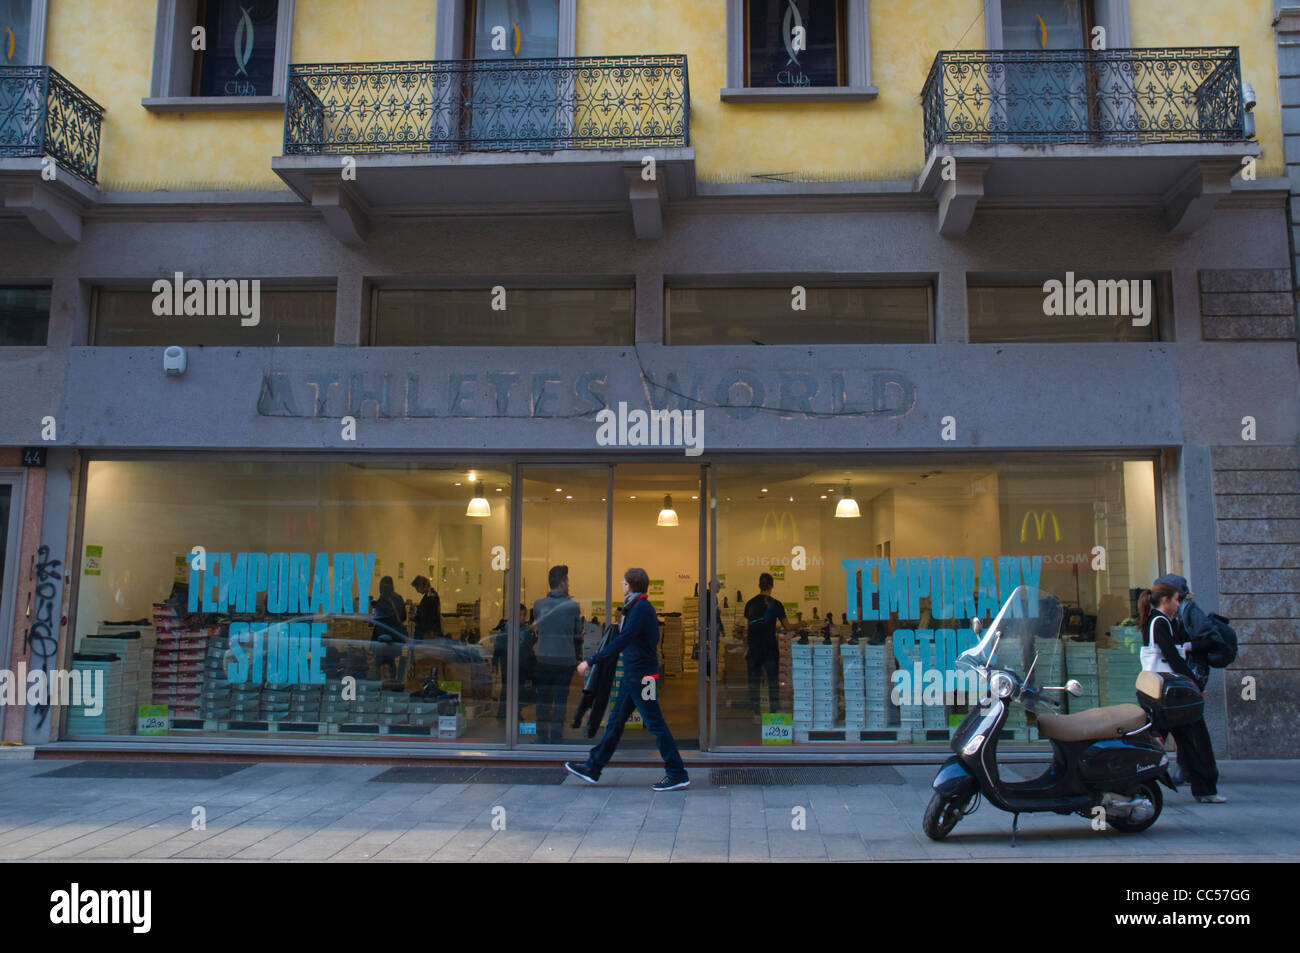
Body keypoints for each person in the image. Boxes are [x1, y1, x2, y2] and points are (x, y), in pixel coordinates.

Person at [564, 568, 690, 791]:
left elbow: (624, 640)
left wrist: (591, 660)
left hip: (643, 678)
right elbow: (631, 636)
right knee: (614, 723)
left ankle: (677, 773)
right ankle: (593, 767)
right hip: (633, 678)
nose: (622, 586)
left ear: (630, 586)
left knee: (655, 723)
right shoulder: (636, 607)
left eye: (624, 583)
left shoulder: (640, 608)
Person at [1137, 581, 1224, 804]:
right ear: (1165, 600)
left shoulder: (1155, 621)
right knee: (1194, 738)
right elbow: (1173, 659)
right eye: (1177, 599)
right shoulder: (1161, 622)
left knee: (1162, 739)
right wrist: (1194, 684)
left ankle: (1138, 784)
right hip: (1170, 693)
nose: (1179, 604)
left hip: (1159, 691)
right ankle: (1205, 789)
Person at [531, 565, 583, 744]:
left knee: (543, 697)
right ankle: (556, 734)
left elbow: (537, 626)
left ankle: (541, 733)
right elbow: (577, 634)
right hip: (565, 659)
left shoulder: (538, 604)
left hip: (544, 657)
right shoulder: (572, 606)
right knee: (561, 699)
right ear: (562, 583)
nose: (568, 583)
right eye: (567, 580)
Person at [743, 572, 790, 723]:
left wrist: (746, 647)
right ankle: (773, 711)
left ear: (759, 585)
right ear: (771, 585)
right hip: (769, 647)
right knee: (772, 680)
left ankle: (756, 712)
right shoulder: (776, 604)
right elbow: (788, 626)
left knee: (754, 680)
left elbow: (749, 627)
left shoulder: (750, 603)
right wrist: (801, 625)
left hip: (754, 647)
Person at [410, 575, 442, 640]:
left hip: (427, 632)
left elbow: (427, 616)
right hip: (428, 630)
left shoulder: (430, 596)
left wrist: (416, 618)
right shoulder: (430, 594)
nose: (417, 591)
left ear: (421, 586)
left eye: (417, 588)